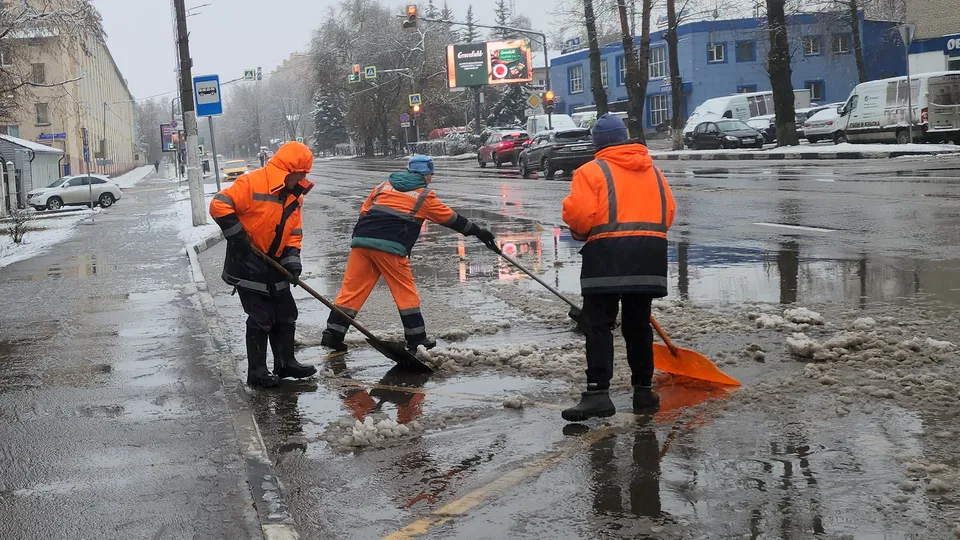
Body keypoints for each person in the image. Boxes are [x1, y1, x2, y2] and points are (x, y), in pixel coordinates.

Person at [560, 113, 676, 421]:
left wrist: (578, 230)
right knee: (638, 326)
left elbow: (580, 216)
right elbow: (669, 212)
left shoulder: (591, 171)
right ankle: (643, 393)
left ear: (597, 143)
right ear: (625, 137)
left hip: (607, 254)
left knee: (598, 324)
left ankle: (598, 393)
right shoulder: (653, 170)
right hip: (650, 255)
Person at [320, 155, 495, 353]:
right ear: (426, 175)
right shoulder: (423, 196)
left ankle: (333, 333)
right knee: (404, 292)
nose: (431, 178)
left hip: (361, 242)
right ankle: (416, 337)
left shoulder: (383, 186)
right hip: (390, 246)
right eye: (431, 175)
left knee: (352, 290)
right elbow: (451, 219)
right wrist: (479, 232)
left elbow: (364, 211)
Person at [209, 141, 318, 389]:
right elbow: (218, 204)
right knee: (261, 317)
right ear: (289, 170)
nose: (304, 178)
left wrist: (292, 262)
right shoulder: (253, 183)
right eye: (302, 172)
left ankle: (286, 362)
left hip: (275, 262)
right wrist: (238, 236)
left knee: (286, 313)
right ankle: (257, 371)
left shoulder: (294, 195)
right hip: (247, 261)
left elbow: (294, 232)